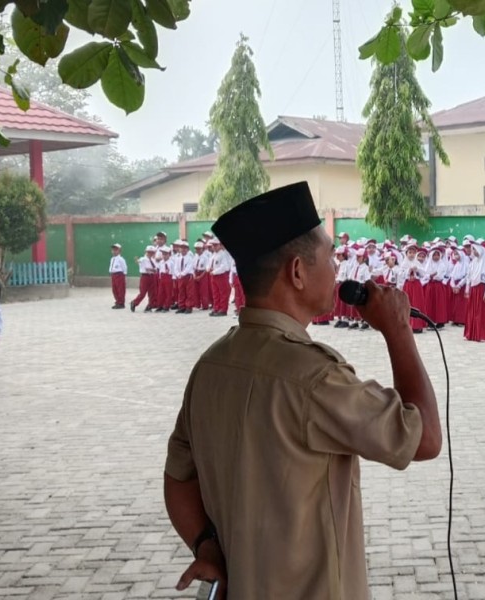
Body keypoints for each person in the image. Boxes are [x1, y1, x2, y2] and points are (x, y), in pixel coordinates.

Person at [163, 182, 442, 600]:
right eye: (331, 258)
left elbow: (178, 479)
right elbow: (424, 439)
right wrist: (399, 329)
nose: (337, 270)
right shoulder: (315, 377)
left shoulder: (211, 365)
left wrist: (207, 547)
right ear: (297, 272)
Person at [131, 245, 159, 313]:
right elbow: (142, 265)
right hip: (145, 277)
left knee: (152, 293)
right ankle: (134, 302)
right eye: (149, 252)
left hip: (152, 277)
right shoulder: (143, 259)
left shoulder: (153, 260)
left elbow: (156, 269)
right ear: (146, 252)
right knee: (143, 292)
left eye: (152, 252)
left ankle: (149, 306)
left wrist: (152, 270)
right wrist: (137, 260)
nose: (150, 254)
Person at [109, 243, 127, 309]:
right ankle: (117, 301)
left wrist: (123, 275)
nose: (114, 251)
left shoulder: (121, 259)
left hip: (119, 275)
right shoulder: (112, 259)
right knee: (114, 289)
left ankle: (121, 303)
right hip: (113, 275)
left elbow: (124, 267)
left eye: (116, 250)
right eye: (113, 250)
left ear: (119, 251)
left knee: (120, 289)